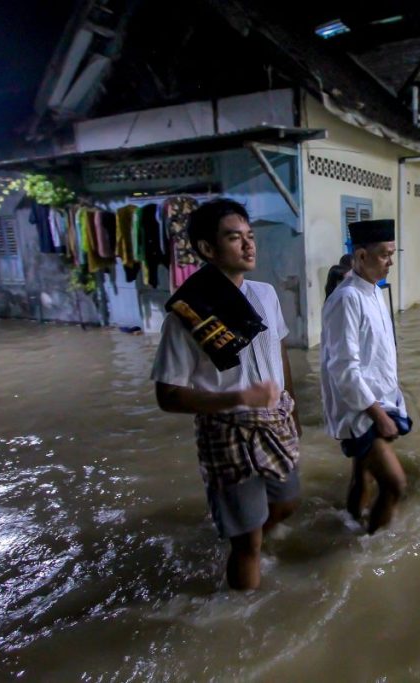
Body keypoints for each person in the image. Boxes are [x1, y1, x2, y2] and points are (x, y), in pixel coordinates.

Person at [152, 198, 302, 590]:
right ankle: (243, 615)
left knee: (286, 502)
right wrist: (236, 398)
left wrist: (293, 410)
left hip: (277, 421)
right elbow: (168, 395)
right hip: (227, 431)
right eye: (235, 238)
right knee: (247, 542)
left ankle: (247, 532)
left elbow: (280, 349)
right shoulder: (186, 314)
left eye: (250, 237)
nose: (249, 245)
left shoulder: (266, 294)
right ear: (206, 249)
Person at [321, 219, 410, 534]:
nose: (390, 262)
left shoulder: (373, 292)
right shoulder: (346, 299)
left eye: (391, 254)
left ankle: (351, 527)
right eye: (385, 254)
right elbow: (343, 367)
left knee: (363, 475)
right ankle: (373, 546)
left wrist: (394, 400)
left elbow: (379, 356)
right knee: (395, 484)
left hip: (378, 400)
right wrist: (377, 414)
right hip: (361, 408)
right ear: (361, 256)